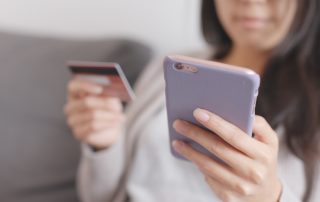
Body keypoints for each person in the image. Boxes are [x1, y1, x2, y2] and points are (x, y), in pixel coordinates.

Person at [64, 0, 320, 201]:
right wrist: (104, 146)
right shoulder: (169, 68)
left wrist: (269, 197)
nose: (250, 1)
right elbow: (98, 197)